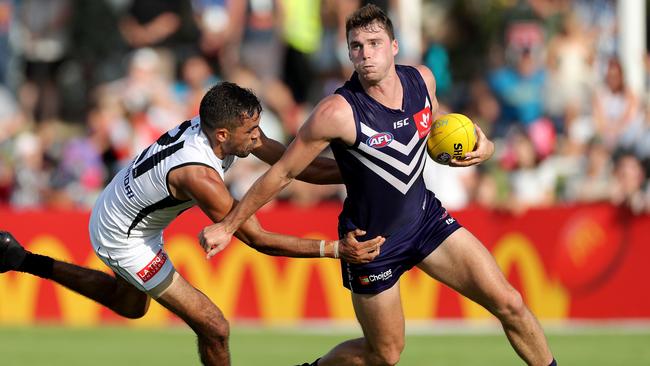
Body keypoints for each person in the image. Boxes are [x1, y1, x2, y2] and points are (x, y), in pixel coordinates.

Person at [199, 5, 557, 366]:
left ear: (394, 46)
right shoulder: (336, 112)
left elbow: (438, 135)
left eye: (374, 43)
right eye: (356, 46)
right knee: (384, 355)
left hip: (426, 221)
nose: (366, 54)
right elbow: (284, 173)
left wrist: (487, 146)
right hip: (371, 244)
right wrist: (228, 226)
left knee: (510, 302)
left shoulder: (423, 81)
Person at [0, 82, 386, 366]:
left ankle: (22, 259)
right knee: (215, 327)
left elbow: (295, 166)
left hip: (126, 203)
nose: (258, 138)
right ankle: (26, 261)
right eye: (251, 132)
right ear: (223, 135)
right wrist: (336, 249)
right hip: (122, 235)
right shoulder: (198, 175)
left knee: (129, 305)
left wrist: (366, 172)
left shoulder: (225, 130)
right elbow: (256, 238)